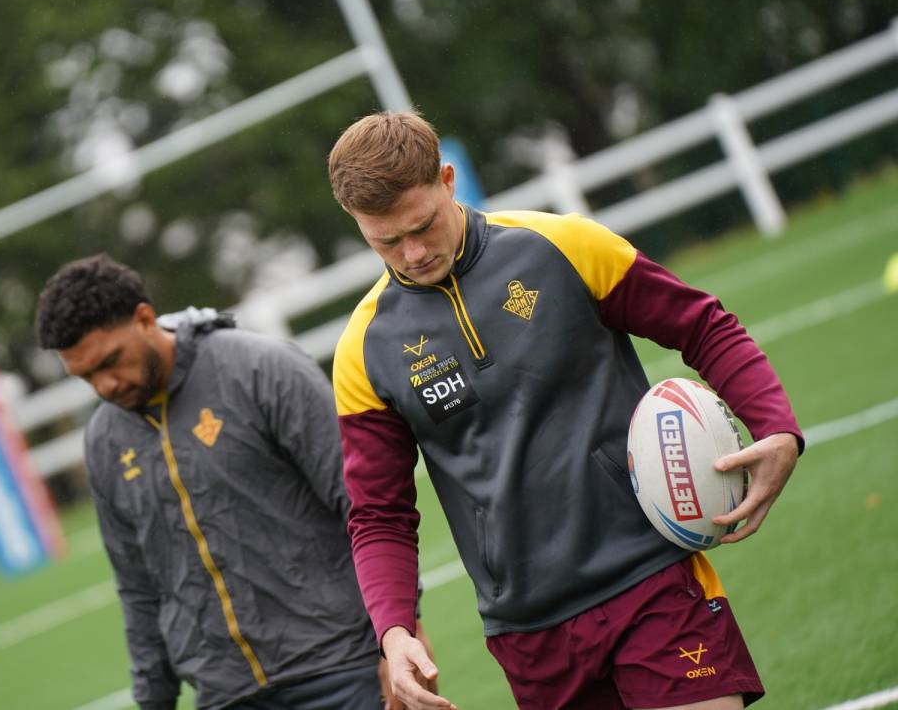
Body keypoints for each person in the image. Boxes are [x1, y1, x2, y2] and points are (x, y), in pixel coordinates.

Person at [327, 111, 802, 710]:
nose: (413, 252)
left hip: (650, 577)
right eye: (387, 241)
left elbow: (702, 326)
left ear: (447, 181)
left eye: (423, 226)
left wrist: (776, 425)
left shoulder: (562, 247)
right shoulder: (364, 351)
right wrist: (394, 632)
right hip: (529, 632)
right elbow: (380, 514)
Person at [35, 253, 429, 710]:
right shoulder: (104, 442)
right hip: (225, 694)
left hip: (341, 668)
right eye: (86, 377)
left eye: (111, 361)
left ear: (143, 319)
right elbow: (138, 587)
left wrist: (400, 636)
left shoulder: (262, 369)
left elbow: (363, 508)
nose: (104, 386)